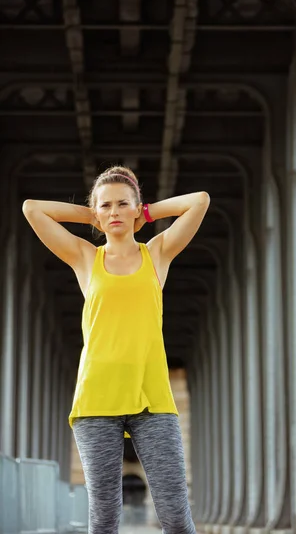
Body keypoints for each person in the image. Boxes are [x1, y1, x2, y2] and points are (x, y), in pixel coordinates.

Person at [22, 165, 210, 534]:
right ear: (96, 212)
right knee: (104, 518)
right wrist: (92, 214)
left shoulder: (157, 253)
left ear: (138, 208)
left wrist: (148, 213)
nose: (114, 212)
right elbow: (32, 209)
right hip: (97, 400)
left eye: (123, 204)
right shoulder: (84, 257)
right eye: (105, 206)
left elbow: (199, 202)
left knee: (175, 517)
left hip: (152, 399)